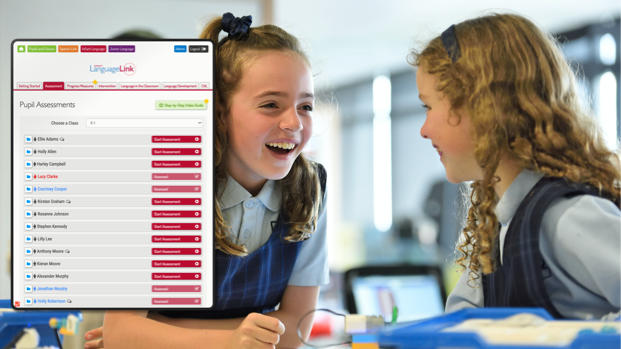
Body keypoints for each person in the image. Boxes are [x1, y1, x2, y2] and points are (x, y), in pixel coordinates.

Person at [84, 12, 328, 348]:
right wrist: (234, 339)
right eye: (271, 104)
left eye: (305, 106)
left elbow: (296, 327)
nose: (294, 123)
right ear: (218, 112)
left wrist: (166, 327)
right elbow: (122, 334)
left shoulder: (310, 186)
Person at [412, 13, 620, 320]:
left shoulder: (565, 217)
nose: (423, 129)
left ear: (481, 105)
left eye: (428, 107)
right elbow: (460, 323)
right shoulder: (497, 226)